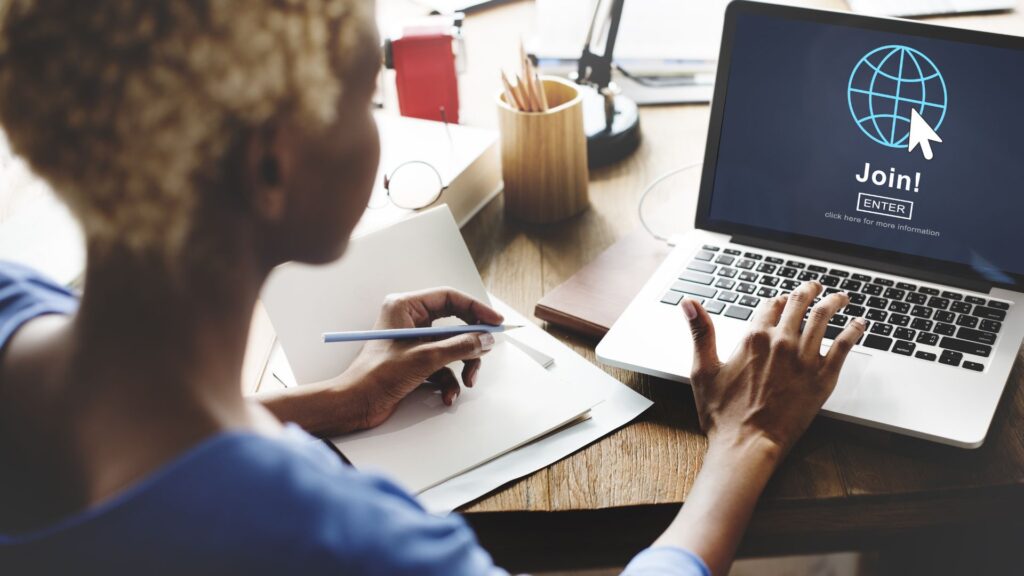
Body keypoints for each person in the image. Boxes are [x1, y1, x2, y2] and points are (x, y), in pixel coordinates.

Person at [0, 1, 866, 574]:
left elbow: (140, 455)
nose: (378, 124)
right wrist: (745, 443)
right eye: (367, 98)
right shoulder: (350, 545)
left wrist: (336, 403)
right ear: (272, 163)